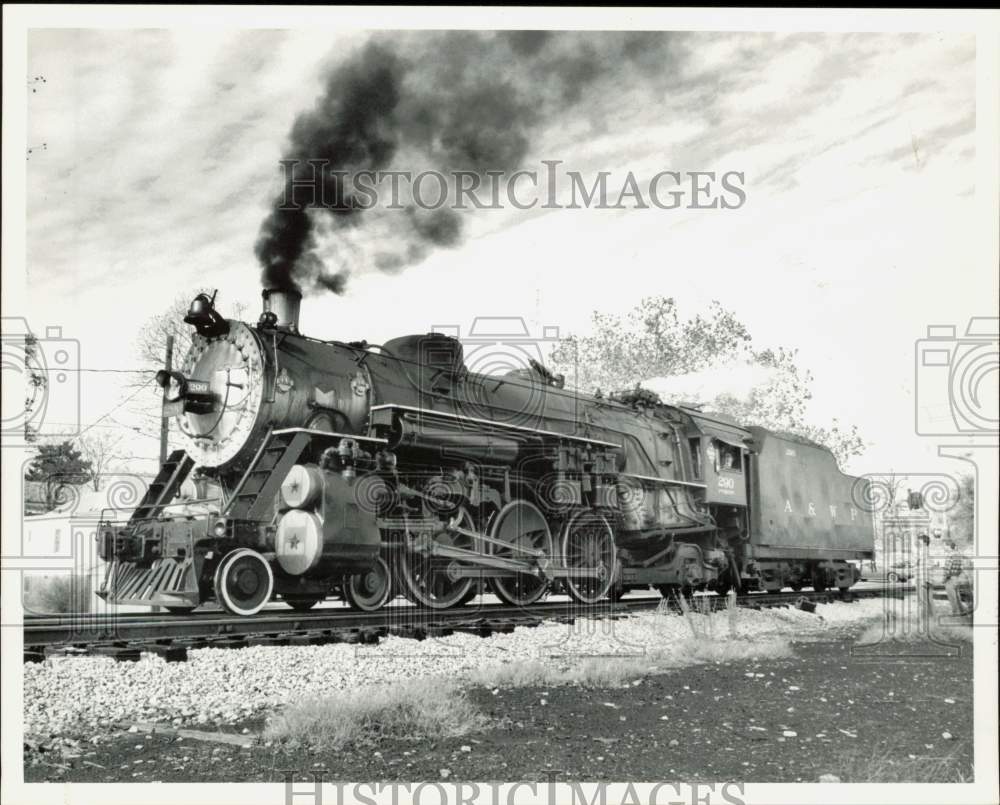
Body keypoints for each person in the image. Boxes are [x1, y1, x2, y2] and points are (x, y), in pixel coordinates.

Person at [943, 539, 971, 616]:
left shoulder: (950, 555)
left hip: (950, 578)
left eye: (944, 545)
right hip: (956, 577)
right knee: (957, 595)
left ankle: (955, 612)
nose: (944, 547)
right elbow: (962, 567)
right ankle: (962, 610)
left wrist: (944, 578)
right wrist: (957, 575)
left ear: (948, 546)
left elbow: (947, 569)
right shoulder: (959, 555)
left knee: (952, 596)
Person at [912, 533, 935, 629]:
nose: (918, 541)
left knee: (923, 602)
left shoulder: (923, 552)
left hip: (923, 579)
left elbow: (926, 568)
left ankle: (923, 622)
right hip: (926, 579)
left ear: (924, 542)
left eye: (920, 540)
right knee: (929, 601)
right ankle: (932, 621)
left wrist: (924, 581)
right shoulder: (925, 552)